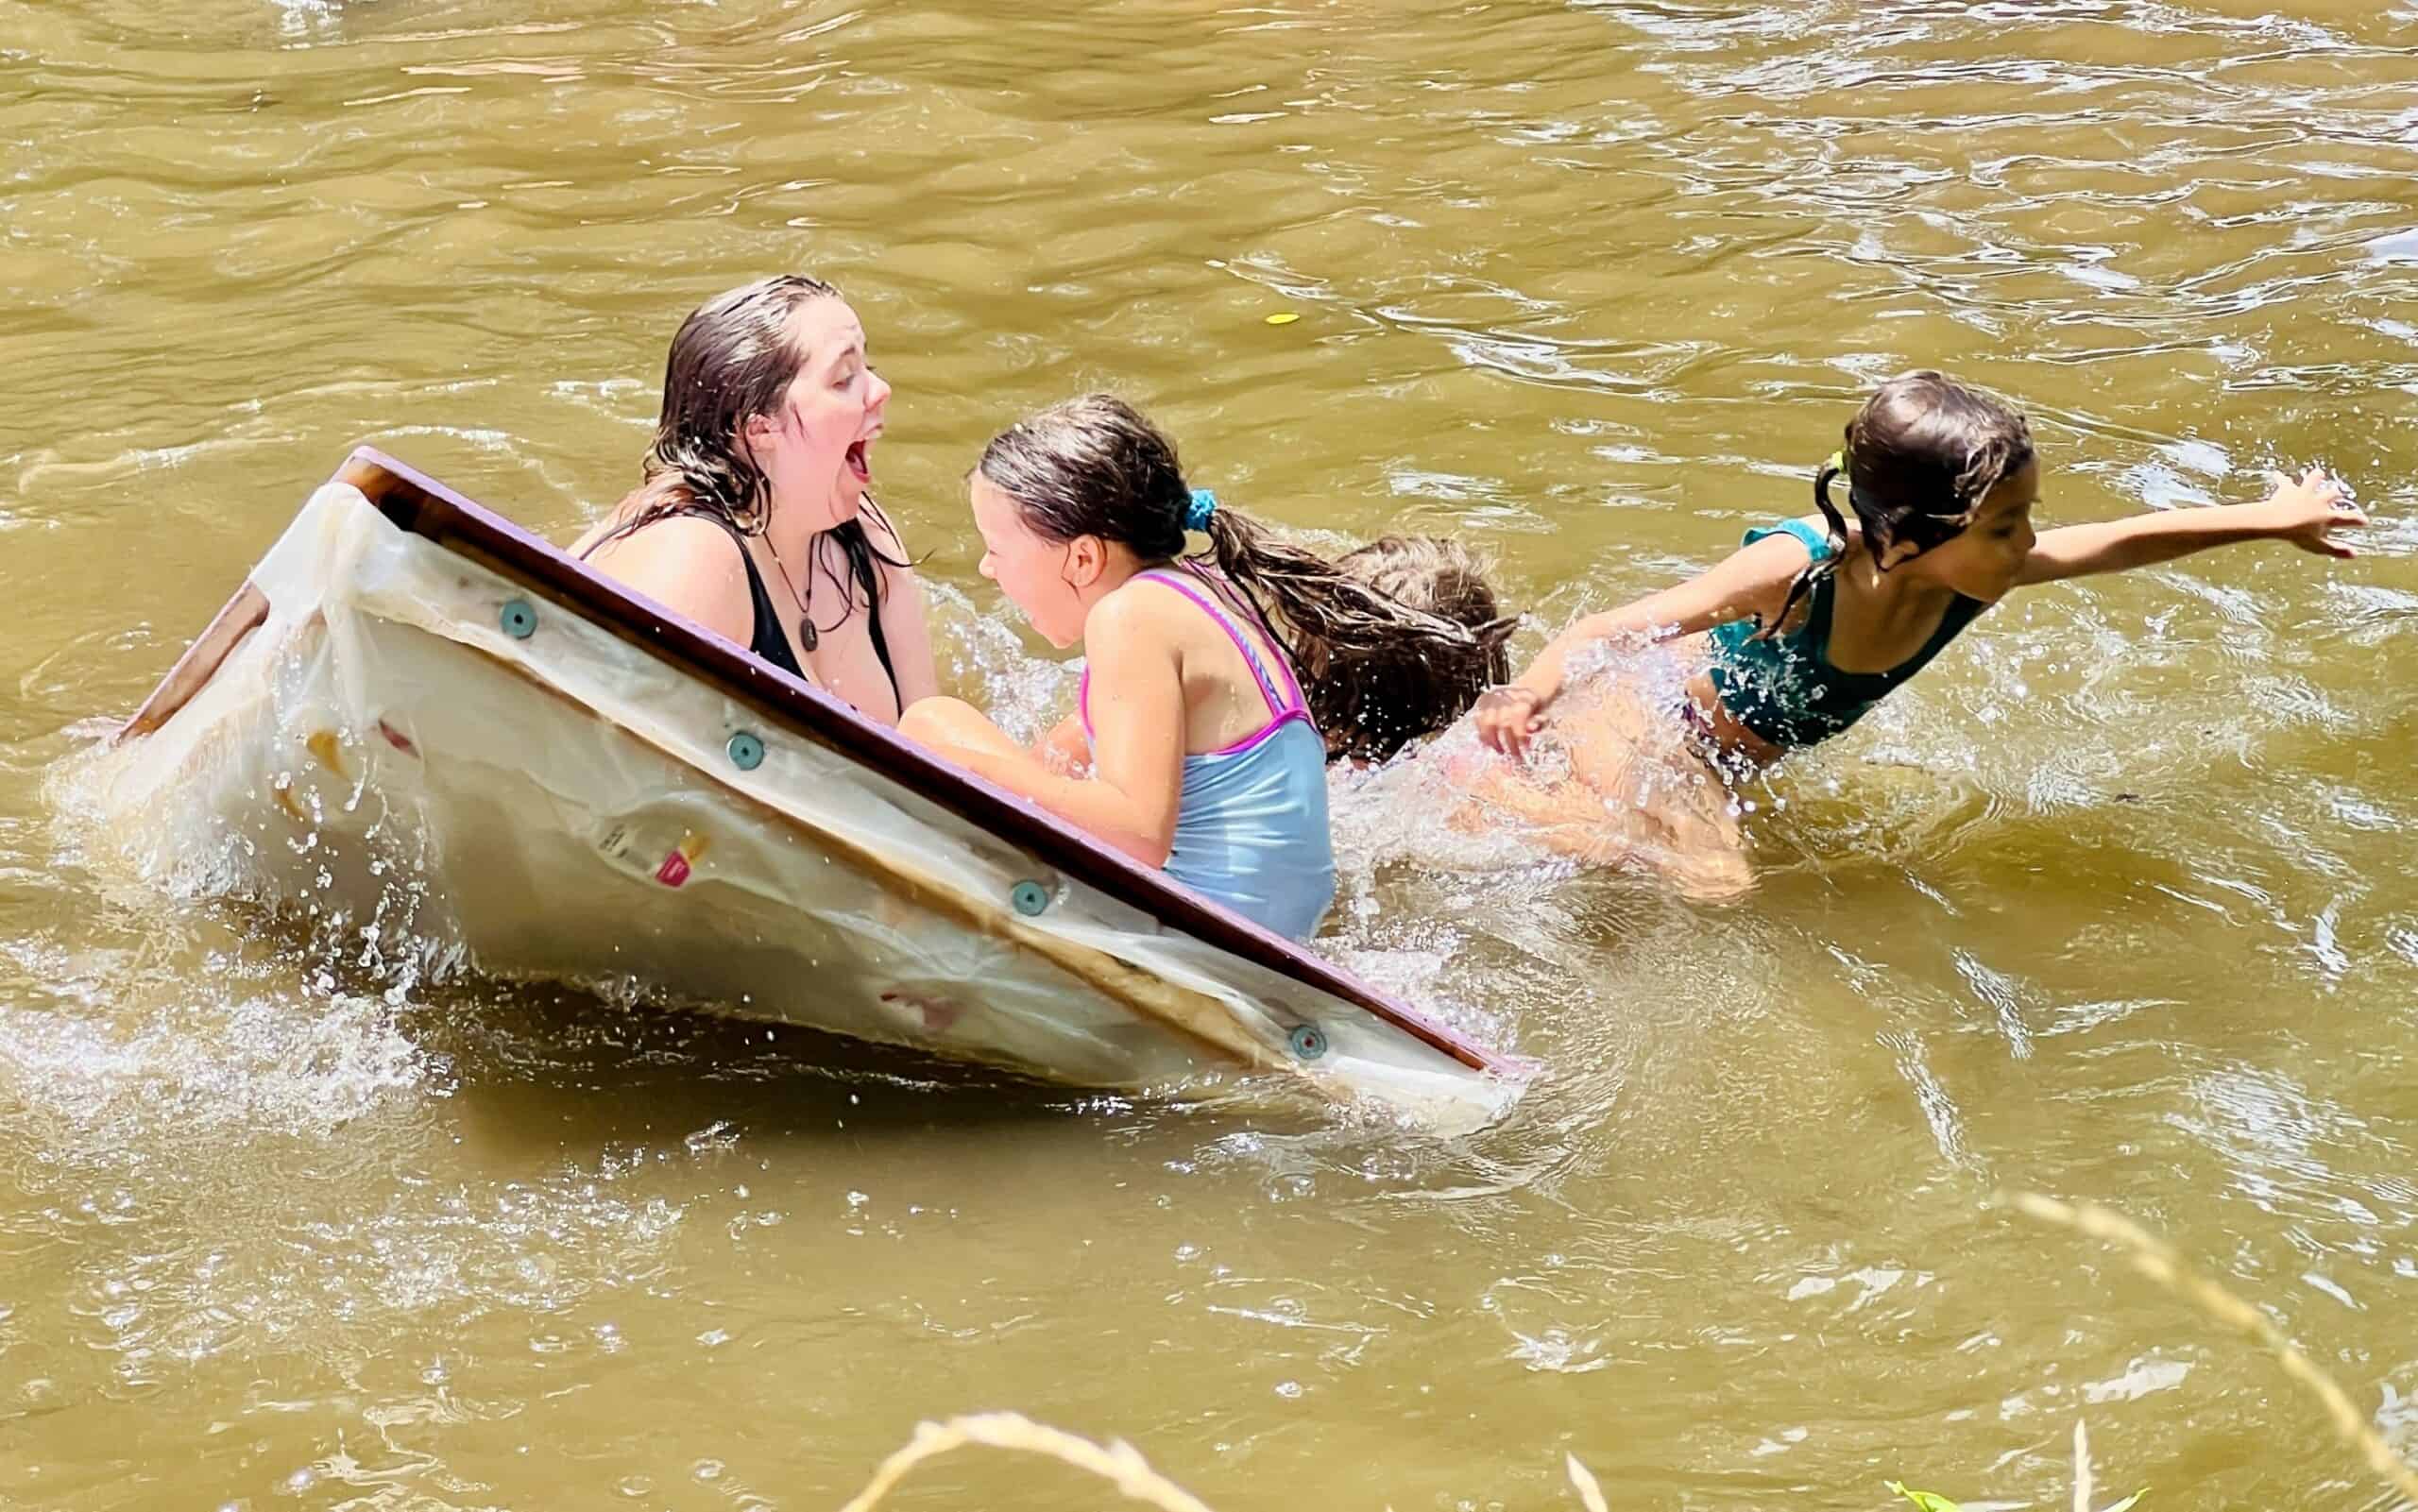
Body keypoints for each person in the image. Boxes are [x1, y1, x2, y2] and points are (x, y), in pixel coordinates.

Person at [1470, 369, 2369, 896]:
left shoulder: (1973, 577)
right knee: (1717, 884)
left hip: (1730, 755)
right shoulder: (1804, 564)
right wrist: (1528, 691)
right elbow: (1610, 628)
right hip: (1658, 723)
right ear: (1912, 532)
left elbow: (2119, 540)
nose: (2026, 544)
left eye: (2026, 517)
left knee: (1690, 875)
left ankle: (1528, 811)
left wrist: (2267, 518)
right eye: (2005, 524)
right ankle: (1479, 803)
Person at [898, 395, 1493, 940]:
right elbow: (1066, 752)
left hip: (1207, 933)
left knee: (930, 726)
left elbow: (1135, 832)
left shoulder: (1129, 618)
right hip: (1280, 932)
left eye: (996, 549)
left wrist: (961, 769)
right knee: (944, 724)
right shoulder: (1200, 592)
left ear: (1082, 557)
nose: (985, 569)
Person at [570, 275, 937, 725]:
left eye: (868, 367)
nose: (881, 390)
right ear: (760, 430)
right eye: (844, 379)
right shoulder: (692, 559)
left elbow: (930, 740)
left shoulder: (865, 538)